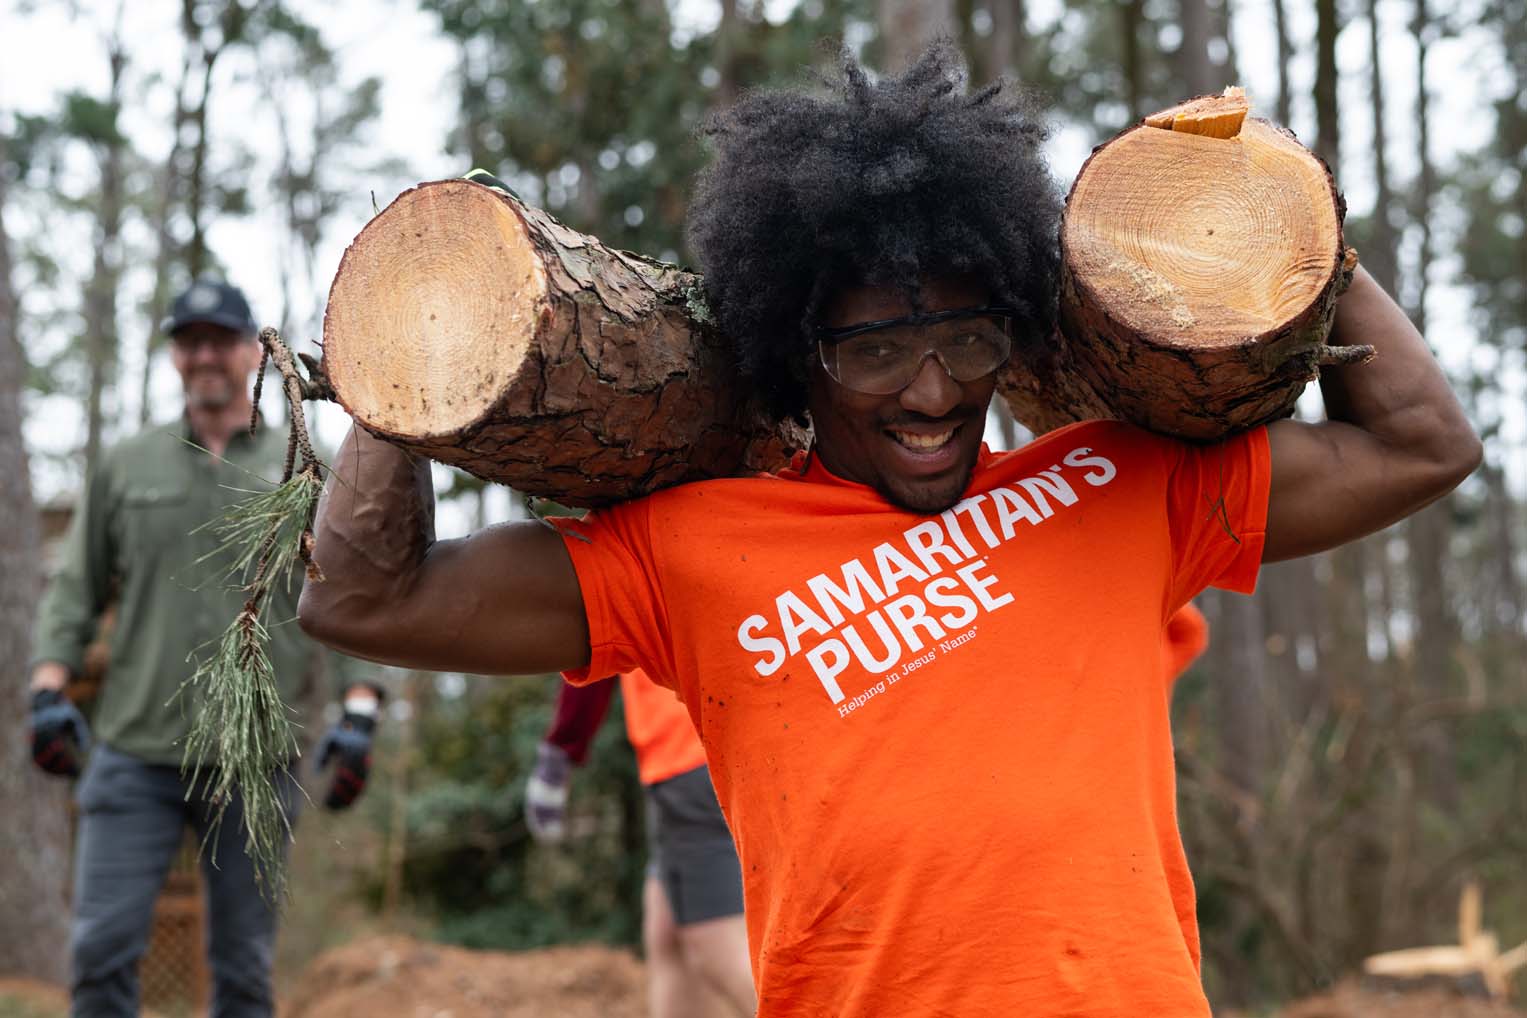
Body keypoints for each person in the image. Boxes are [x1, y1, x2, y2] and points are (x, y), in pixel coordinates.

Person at [297, 44, 1480, 1017]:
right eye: (870, 351)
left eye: (965, 341)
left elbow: (1425, 445)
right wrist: (407, 369)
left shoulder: (1119, 484)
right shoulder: (687, 550)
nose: (928, 392)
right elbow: (363, 598)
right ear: (793, 362)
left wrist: (1296, 216)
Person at [27, 278, 383, 1018]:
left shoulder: (301, 466)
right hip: (134, 751)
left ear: (253, 349)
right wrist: (47, 689)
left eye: (219, 340)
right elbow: (75, 588)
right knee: (98, 955)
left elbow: (349, 591)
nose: (205, 356)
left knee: (245, 974)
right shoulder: (129, 467)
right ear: (174, 358)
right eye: (189, 342)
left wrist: (360, 712)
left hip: (257, 757)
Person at [528, 670, 755, 1017]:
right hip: (697, 751)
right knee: (666, 936)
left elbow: (591, 640)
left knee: (715, 946)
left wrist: (561, 747)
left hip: (686, 752)